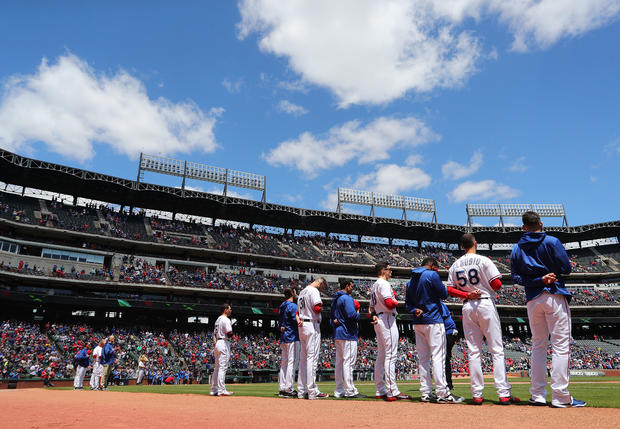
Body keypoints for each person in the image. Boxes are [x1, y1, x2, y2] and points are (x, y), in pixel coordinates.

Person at [510, 211, 586, 408]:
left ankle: (538, 395)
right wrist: (546, 277)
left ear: (523, 227)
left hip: (532, 299)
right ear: (541, 224)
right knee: (561, 346)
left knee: (538, 346)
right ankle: (561, 396)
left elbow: (516, 278)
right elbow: (566, 268)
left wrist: (537, 280)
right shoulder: (552, 241)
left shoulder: (517, 248)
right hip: (553, 294)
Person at [446, 233, 518, 405]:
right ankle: (503, 393)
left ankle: (477, 394)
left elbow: (449, 289)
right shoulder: (483, 260)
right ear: (475, 243)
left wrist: (467, 294)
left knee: (473, 351)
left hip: (468, 305)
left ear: (462, 246)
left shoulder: (455, 265)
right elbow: (497, 285)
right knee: (497, 350)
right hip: (485, 303)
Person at [406, 257, 463, 403]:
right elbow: (443, 294)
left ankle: (425, 392)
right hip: (433, 320)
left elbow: (408, 305)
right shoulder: (431, 275)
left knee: (423, 359)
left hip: (418, 322)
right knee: (439, 358)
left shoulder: (410, 280)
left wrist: (414, 309)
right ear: (432, 265)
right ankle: (443, 394)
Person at [370, 262, 409, 401]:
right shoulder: (384, 284)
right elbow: (390, 303)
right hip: (387, 319)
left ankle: (380, 390)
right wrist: (397, 301)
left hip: (380, 319)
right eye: (389, 269)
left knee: (381, 356)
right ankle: (392, 391)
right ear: (382, 271)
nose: (391, 271)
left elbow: (371, 308)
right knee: (391, 355)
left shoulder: (374, 285)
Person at [330, 278, 365, 399]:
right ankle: (350, 390)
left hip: (338, 333)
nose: (352, 288)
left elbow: (331, 319)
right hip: (348, 334)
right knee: (348, 363)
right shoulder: (347, 298)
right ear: (347, 286)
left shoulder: (336, 299)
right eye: (351, 286)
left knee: (339, 363)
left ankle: (339, 390)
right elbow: (352, 315)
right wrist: (358, 312)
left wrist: (337, 321)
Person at [296, 277, 329, 399]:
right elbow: (317, 308)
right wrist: (322, 307)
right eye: (322, 287)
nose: (322, 289)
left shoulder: (302, 291)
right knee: (312, 359)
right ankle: (312, 391)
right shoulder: (314, 291)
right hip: (311, 325)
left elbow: (297, 311)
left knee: (303, 359)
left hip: (303, 325)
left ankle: (301, 391)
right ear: (320, 283)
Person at [278, 288, 300, 398]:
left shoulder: (282, 306)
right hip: (292, 336)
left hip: (284, 337)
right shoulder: (292, 306)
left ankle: (282, 387)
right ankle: (288, 388)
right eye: (295, 291)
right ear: (292, 293)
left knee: (284, 363)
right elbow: (295, 320)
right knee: (292, 362)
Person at [210, 303, 234, 396]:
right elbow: (230, 333)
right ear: (225, 310)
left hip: (217, 343)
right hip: (223, 342)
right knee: (222, 367)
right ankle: (221, 390)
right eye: (229, 309)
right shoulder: (226, 319)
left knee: (217, 368)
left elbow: (214, 334)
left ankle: (213, 390)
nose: (230, 310)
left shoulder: (218, 319)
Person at [440, 303, 458, 392]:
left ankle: (448, 383)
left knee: (445, 359)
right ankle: (447, 383)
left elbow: (441, 317)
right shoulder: (440, 304)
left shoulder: (439, 304)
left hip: (448, 333)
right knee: (445, 358)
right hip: (449, 332)